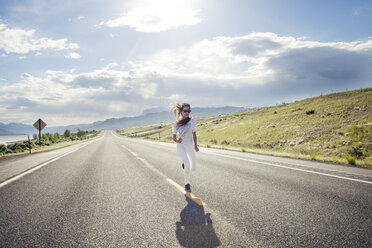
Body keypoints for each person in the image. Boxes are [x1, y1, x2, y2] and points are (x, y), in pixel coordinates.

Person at [172, 103, 199, 192]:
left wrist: (195, 145)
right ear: (181, 111)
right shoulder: (176, 124)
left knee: (193, 168)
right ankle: (187, 184)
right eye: (185, 111)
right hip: (181, 145)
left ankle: (185, 164)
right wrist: (177, 141)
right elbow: (174, 138)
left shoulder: (192, 121)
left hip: (190, 145)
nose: (187, 113)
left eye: (189, 111)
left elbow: (194, 134)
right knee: (187, 166)